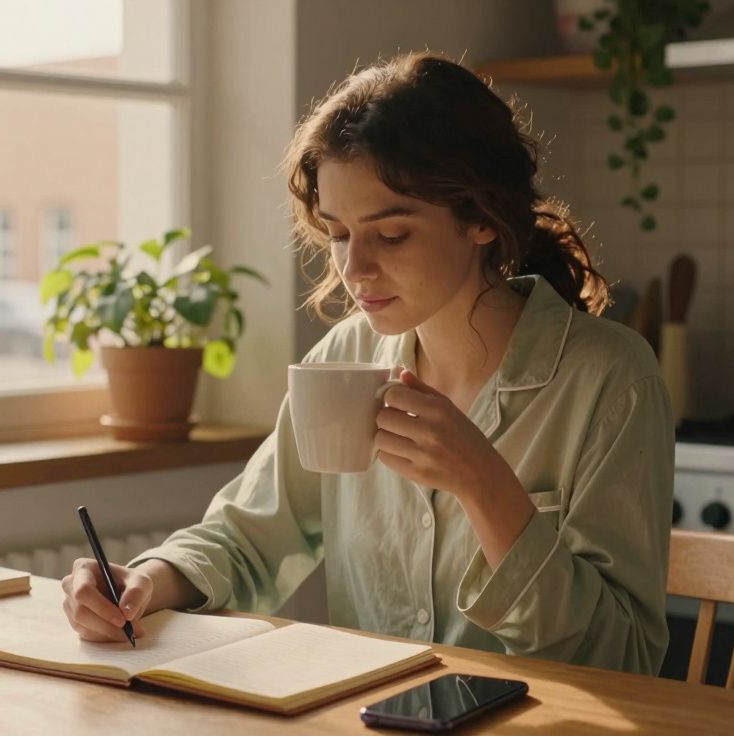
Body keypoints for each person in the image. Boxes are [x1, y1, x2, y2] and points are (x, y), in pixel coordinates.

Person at [61, 51, 674, 676]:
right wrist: (142, 582)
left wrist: (486, 488)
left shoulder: (611, 379)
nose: (354, 270)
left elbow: (621, 657)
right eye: (338, 233)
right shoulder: (345, 359)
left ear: (482, 220)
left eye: (393, 234)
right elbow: (247, 538)